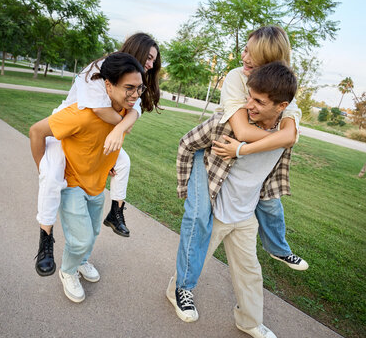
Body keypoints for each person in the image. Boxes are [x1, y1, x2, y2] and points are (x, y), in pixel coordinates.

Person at [170, 25, 308, 321]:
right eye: (244, 48)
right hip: (205, 154)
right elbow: (243, 130)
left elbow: (289, 137)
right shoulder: (236, 77)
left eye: (251, 53)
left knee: (269, 205)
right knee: (198, 218)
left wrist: (252, 146)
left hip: (239, 173)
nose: (242, 56)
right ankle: (181, 289)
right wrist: (277, 135)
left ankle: (256, 306)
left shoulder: (284, 89)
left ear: (272, 60)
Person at [34, 33, 161, 277]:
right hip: (66, 132)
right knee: (51, 178)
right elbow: (102, 111)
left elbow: (132, 114)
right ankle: (45, 239)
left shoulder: (134, 81)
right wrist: (123, 124)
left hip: (97, 134)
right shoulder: (98, 71)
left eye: (155, 60)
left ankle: (116, 211)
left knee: (123, 162)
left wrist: (121, 128)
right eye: (149, 57)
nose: (151, 64)